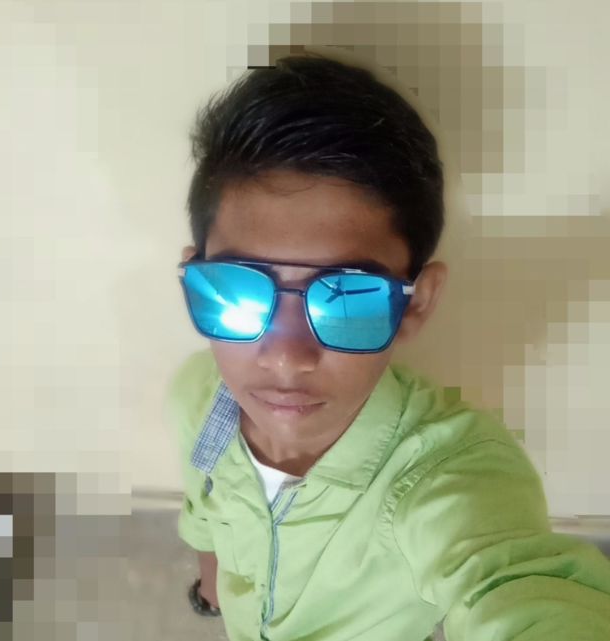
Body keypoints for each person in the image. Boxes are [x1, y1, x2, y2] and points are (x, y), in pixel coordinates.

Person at [166, 53, 610, 641]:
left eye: (349, 298)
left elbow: (514, 582)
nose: (286, 356)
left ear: (417, 304)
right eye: (238, 293)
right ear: (193, 282)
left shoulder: (451, 473)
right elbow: (204, 511)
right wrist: (212, 587)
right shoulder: (199, 395)